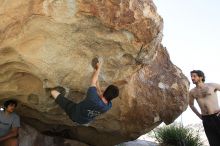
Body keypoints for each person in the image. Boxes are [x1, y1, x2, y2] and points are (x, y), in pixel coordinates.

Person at [50, 60, 119, 124]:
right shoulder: (109, 106)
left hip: (74, 112)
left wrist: (99, 68)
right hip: (84, 121)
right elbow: (100, 92)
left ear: (106, 91)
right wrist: (96, 72)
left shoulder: (93, 98)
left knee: (53, 92)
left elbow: (93, 81)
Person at [189, 70, 220, 146]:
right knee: (213, 142)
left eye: (194, 76)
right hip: (206, 119)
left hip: (218, 116)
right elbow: (191, 105)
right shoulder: (192, 92)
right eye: (191, 76)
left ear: (201, 77)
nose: (192, 78)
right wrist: (199, 115)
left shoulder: (212, 86)